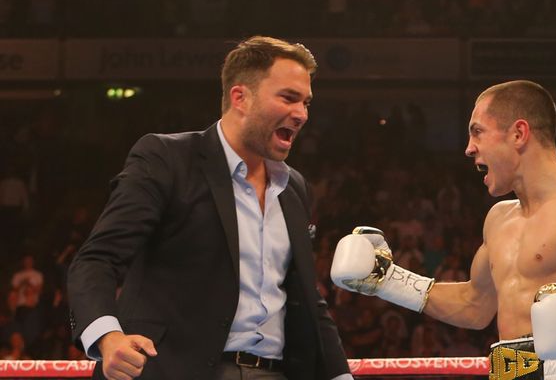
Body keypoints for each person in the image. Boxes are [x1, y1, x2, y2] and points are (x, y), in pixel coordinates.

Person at [331, 80, 556, 379]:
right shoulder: (499, 218)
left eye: (477, 132)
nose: (468, 147)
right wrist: (387, 280)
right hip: (508, 371)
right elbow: (475, 305)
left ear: (519, 134)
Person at [68, 36, 352, 380]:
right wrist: (108, 337)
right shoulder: (168, 159)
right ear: (240, 97)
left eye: (306, 102)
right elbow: (97, 259)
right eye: (289, 98)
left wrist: (340, 375)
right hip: (179, 370)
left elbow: (307, 298)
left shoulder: (293, 187)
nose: (302, 114)